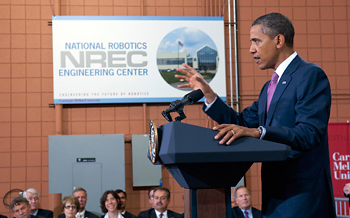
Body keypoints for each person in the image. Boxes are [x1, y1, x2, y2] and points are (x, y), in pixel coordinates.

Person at [175, 12, 336, 218]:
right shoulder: (269, 87)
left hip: (302, 197)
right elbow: (241, 124)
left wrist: (258, 132)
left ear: (278, 40)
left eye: (256, 41)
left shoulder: (310, 75)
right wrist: (210, 96)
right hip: (274, 196)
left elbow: (309, 133)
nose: (251, 49)